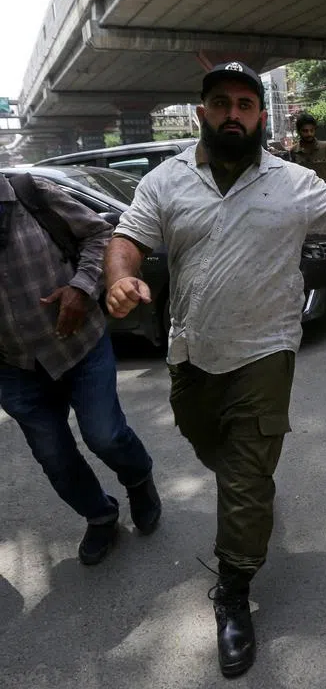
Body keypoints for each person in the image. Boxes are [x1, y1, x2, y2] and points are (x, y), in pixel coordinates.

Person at [103, 60, 326, 679]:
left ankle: (234, 591)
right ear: (201, 113)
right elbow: (127, 240)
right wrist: (120, 277)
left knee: (244, 481)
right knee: (208, 444)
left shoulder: (292, 181)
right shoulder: (165, 182)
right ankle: (248, 489)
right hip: (192, 354)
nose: (233, 114)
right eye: (222, 103)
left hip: (266, 353)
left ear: (262, 116)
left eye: (246, 104)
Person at [0, 172, 160, 566]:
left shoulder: (30, 194)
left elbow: (101, 235)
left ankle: (138, 479)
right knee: (53, 456)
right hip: (13, 364)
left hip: (80, 345)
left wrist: (82, 286)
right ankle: (100, 516)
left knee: (104, 435)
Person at [289, 112, 326, 186]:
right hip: (304, 193)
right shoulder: (294, 151)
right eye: (305, 131)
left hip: (324, 193)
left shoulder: (325, 148)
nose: (309, 134)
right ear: (299, 131)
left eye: (312, 130)